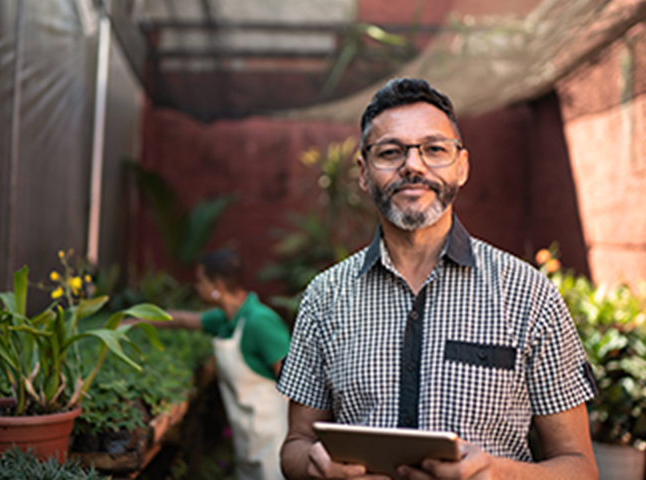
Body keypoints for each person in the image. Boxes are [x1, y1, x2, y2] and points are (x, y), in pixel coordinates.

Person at [276, 77, 598, 479]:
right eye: (390, 152)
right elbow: (295, 445)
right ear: (363, 171)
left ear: (461, 166)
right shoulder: (324, 297)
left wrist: (494, 473)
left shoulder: (528, 294)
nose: (413, 165)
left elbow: (580, 467)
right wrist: (315, 468)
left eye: (434, 149)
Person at [127, 249, 291, 480]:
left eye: (200, 280)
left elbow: (295, 381)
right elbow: (181, 319)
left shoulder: (260, 322)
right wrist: (129, 322)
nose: (196, 286)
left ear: (218, 286)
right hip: (249, 434)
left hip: (275, 436)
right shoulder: (227, 318)